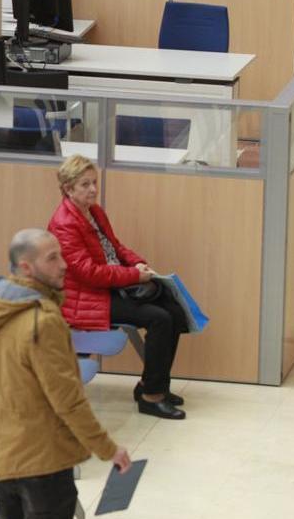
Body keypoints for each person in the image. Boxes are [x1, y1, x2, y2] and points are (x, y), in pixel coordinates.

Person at [0, 229, 132, 519]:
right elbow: (68, 400)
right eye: (51, 258)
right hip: (39, 458)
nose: (64, 265)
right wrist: (107, 448)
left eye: (60, 254)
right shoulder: (42, 321)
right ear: (26, 268)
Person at [47, 155, 188, 420]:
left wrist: (139, 265)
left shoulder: (94, 212)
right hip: (86, 298)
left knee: (174, 311)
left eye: (94, 182)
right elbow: (89, 274)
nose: (92, 189)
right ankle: (151, 397)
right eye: (85, 184)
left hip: (110, 287)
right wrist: (133, 276)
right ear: (68, 189)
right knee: (159, 319)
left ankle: (153, 384)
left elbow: (116, 248)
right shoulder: (64, 224)